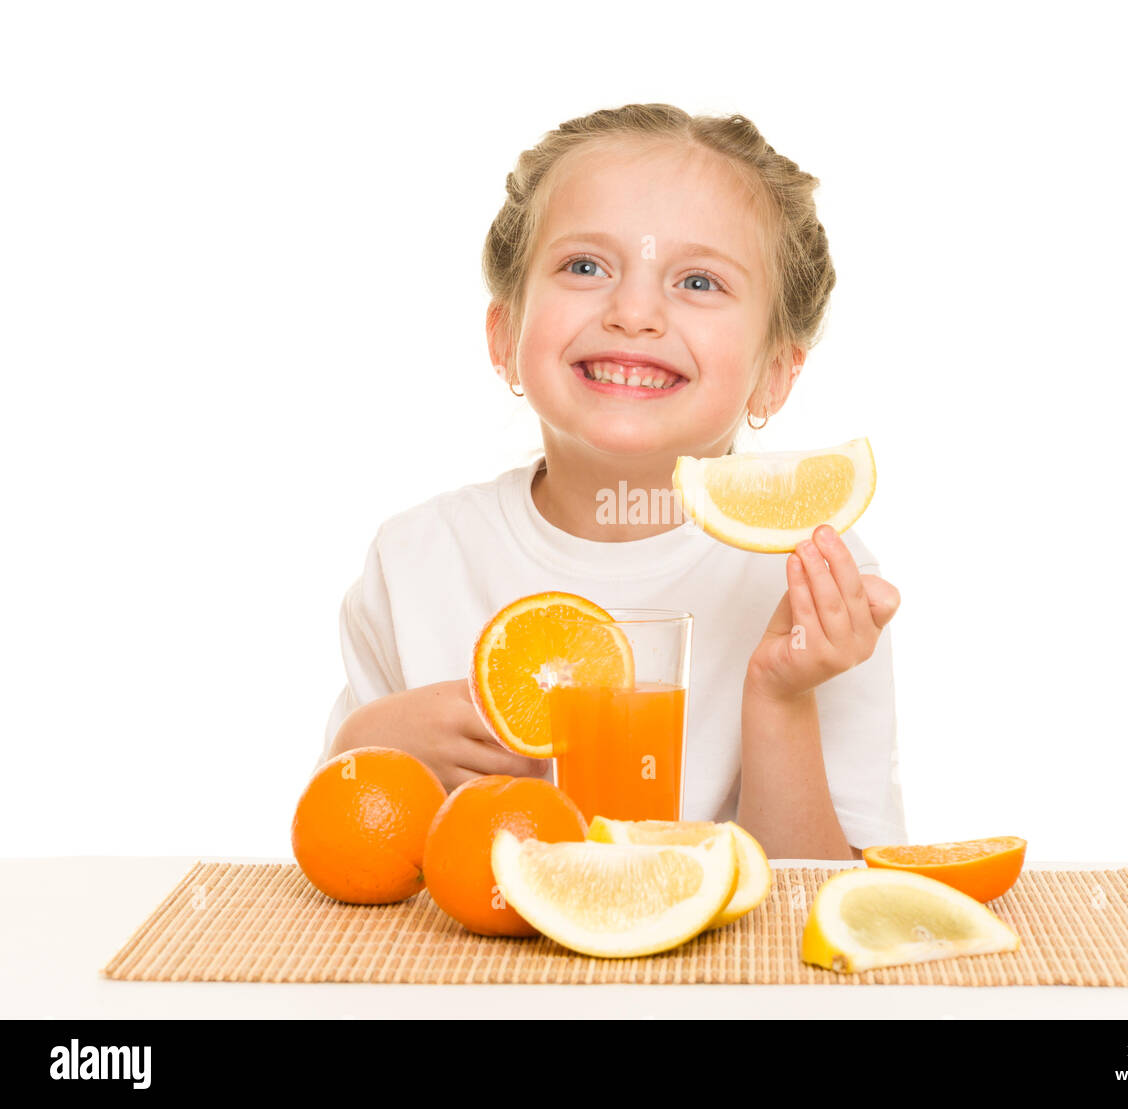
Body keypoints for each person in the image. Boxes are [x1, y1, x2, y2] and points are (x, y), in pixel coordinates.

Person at [318, 103, 905, 860]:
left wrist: (782, 696)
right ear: (504, 335)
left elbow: (823, 911)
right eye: (585, 267)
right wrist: (364, 743)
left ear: (775, 374)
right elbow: (343, 871)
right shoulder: (414, 560)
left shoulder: (813, 578)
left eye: (698, 281)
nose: (633, 312)